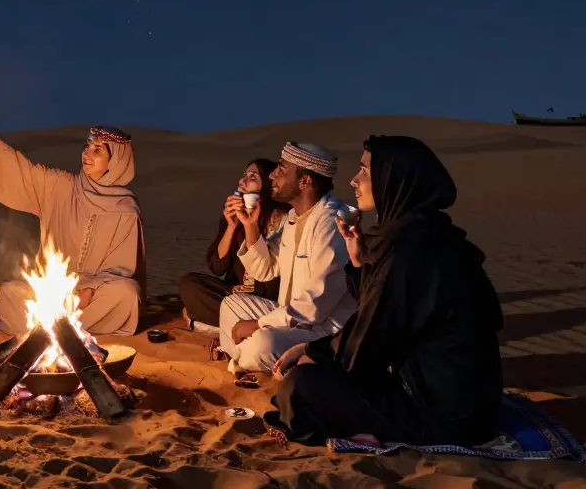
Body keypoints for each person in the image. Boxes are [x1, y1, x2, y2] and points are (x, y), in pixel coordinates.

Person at [270, 136, 503, 447]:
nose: (354, 180)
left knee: (302, 385)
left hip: (441, 415)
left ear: (393, 179)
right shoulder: (420, 233)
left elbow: (369, 345)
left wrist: (311, 350)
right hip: (448, 399)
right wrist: (357, 261)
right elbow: (383, 313)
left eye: (365, 171)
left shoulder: (412, 249)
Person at [0, 108, 146, 352]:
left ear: (115, 162)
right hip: (54, 288)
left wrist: (89, 289)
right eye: (87, 146)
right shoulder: (62, 187)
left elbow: (122, 268)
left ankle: (52, 326)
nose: (87, 154)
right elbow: (26, 172)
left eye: (98, 150)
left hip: (96, 295)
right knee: (11, 293)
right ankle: (60, 325)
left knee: (127, 295)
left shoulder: (125, 209)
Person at [217, 142, 356, 373]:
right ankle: (253, 359)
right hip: (291, 319)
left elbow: (315, 305)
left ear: (305, 181)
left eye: (281, 169)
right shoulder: (294, 217)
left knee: (263, 343)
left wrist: (258, 325)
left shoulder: (333, 222)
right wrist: (250, 226)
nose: (272, 175)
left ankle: (244, 358)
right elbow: (265, 270)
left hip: (323, 331)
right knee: (231, 304)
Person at [177, 158, 290, 335]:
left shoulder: (283, 220)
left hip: (266, 301)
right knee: (190, 284)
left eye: (253, 177)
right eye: (243, 175)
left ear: (268, 185)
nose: (242, 181)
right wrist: (231, 226)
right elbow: (217, 267)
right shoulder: (234, 215)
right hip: (233, 295)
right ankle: (238, 326)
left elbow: (269, 276)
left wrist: (250, 226)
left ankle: (221, 325)